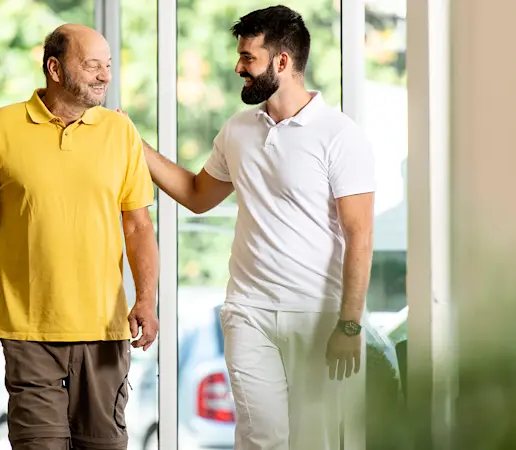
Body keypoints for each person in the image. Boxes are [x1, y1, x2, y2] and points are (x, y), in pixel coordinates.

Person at [129, 6, 375, 450]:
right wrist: (134, 142)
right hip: (248, 312)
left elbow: (360, 235)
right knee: (261, 438)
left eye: (249, 57)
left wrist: (350, 325)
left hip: (317, 316)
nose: (239, 66)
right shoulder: (238, 130)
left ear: (282, 62)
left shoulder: (339, 135)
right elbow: (197, 196)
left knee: (313, 440)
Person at [0, 23, 159, 450]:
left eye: (108, 66)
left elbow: (138, 225)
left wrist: (146, 299)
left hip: (105, 333)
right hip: (29, 333)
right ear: (55, 68)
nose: (105, 75)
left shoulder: (121, 133)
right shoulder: (0, 127)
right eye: (92, 66)